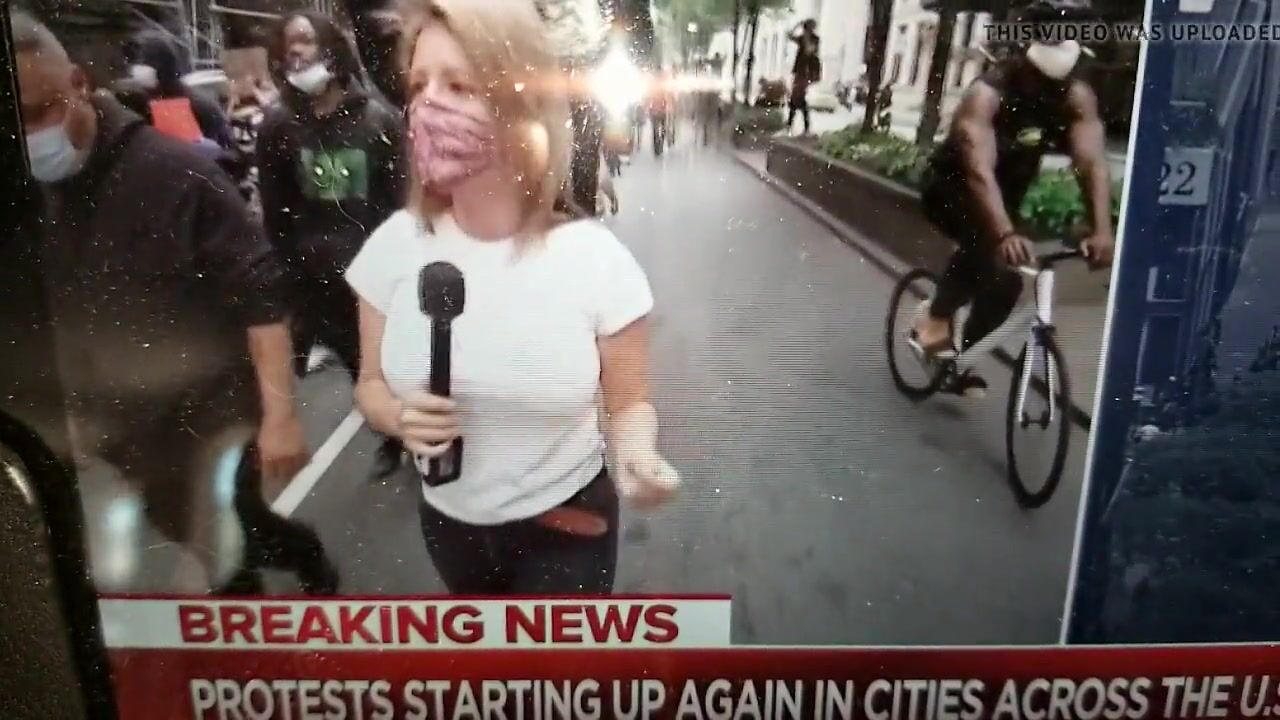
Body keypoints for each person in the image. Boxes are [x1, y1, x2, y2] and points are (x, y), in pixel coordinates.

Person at [346, 0, 680, 594]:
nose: (428, 104)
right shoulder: (392, 248)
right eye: (419, 85)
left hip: (568, 526)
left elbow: (629, 403)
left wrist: (638, 454)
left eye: (459, 85)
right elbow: (369, 386)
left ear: (521, 106)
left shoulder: (596, 260)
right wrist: (397, 418)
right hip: (448, 525)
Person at [12, 10, 336, 595]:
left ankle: (277, 600)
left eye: (38, 112)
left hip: (211, 420)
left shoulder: (176, 175)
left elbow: (261, 296)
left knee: (225, 547)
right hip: (123, 429)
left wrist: (281, 418)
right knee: (197, 532)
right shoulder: (25, 193)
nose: (29, 136)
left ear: (79, 84)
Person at [912, 0, 1115, 396]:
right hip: (951, 189)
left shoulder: (1075, 96)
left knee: (1005, 285)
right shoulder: (987, 93)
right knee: (983, 241)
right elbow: (978, 171)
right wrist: (1005, 232)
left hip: (1003, 197)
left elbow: (1092, 162)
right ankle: (935, 316)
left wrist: (1102, 229)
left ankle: (960, 361)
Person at [257, 11, 407, 479]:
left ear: (332, 48)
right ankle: (391, 436)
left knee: (397, 358)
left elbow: (401, 202)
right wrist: (290, 280)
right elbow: (276, 210)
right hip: (318, 278)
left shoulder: (378, 120)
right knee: (357, 362)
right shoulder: (277, 127)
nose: (295, 52)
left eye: (305, 40)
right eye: (287, 45)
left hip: (377, 277)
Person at [123, 30, 234, 150]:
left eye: (144, 62)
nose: (137, 69)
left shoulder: (201, 108)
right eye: (134, 62)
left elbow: (224, 150)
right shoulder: (134, 105)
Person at [788, 19, 820, 136]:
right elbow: (789, 35)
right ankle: (803, 127)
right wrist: (797, 25)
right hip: (799, 71)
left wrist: (805, 38)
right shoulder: (801, 38)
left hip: (806, 72)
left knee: (797, 97)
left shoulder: (815, 39)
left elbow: (809, 51)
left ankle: (794, 126)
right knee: (797, 99)